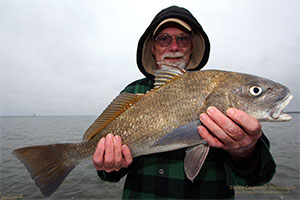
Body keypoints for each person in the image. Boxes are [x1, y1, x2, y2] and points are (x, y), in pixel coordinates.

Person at [93, 6, 276, 199]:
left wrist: (245, 151)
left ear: (192, 47)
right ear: (153, 48)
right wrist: (108, 164)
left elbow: (260, 177)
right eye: (164, 39)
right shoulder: (133, 92)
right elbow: (107, 175)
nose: (174, 47)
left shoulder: (228, 100)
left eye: (183, 39)